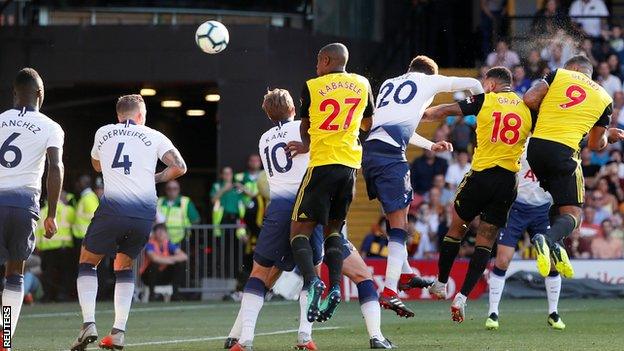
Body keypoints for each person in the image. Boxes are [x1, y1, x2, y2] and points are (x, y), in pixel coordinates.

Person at [226, 88, 393, 350]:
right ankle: (313, 336)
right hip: (309, 206)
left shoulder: (264, 138)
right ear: (295, 109)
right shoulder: (308, 129)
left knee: (260, 276)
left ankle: (241, 337)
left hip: (278, 210)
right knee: (325, 274)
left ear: (268, 114)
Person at [362, 54, 480, 317]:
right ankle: (391, 290)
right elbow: (472, 82)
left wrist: (430, 145)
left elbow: (397, 125)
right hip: (391, 157)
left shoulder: (390, 84)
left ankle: (405, 275)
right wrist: (484, 102)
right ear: (430, 73)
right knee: (400, 227)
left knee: (399, 218)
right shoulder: (428, 81)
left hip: (371, 154)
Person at [70, 94, 186, 351]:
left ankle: (88, 323)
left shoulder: (104, 132)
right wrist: (151, 179)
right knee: (124, 266)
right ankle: (118, 331)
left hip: (113, 209)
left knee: (88, 261)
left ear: (118, 115)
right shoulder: (154, 135)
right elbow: (179, 166)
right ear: (141, 116)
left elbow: (97, 166)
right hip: (144, 213)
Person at [423, 66, 533, 323]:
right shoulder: (526, 106)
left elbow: (446, 110)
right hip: (507, 182)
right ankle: (462, 296)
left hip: (481, 176)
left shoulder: (485, 100)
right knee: (486, 241)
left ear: (492, 84)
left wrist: (419, 115)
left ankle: (441, 284)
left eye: (485, 84)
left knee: (456, 228)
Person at [287, 43, 372, 324]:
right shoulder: (362, 83)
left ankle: (313, 281)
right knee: (334, 229)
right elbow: (368, 124)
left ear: (325, 60)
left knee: (299, 230)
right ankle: (335, 286)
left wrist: (308, 144)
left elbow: (304, 123)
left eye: (317, 61)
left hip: (322, 165)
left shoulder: (312, 86)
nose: (315, 66)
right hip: (349, 168)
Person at [523, 55, 623, 280]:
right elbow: (596, 144)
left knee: (559, 203)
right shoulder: (605, 97)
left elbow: (529, 99)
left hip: (536, 149)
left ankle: (557, 248)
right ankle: (546, 240)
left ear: (575, 69)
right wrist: (609, 135)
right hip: (564, 152)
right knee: (574, 214)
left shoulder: (559, 74)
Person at [0, 68, 64, 350]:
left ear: (15, 94)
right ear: (40, 94)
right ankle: (4, 339)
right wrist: (51, 214)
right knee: (15, 273)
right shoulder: (51, 126)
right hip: (24, 205)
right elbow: (56, 167)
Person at [485, 144, 566, 331]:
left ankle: (553, 313)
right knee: (503, 260)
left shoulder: (553, 145)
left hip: (543, 209)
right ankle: (493, 313)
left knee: (553, 262)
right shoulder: (522, 143)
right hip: (516, 207)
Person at [35, 191, 75, 302]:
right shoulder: (68, 210)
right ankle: (62, 295)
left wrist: (38, 247)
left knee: (48, 274)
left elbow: (37, 232)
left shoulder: (42, 212)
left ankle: (48, 296)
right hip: (63, 247)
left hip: (47, 248)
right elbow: (74, 223)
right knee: (64, 273)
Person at [139, 223, 187, 299]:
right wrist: (170, 260)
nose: (161, 233)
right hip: (147, 276)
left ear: (166, 233)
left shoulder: (168, 244)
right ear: (154, 234)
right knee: (154, 265)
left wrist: (170, 259)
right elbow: (154, 258)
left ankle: (175, 294)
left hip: (164, 275)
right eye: (158, 231)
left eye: (163, 231)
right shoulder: (150, 244)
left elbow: (184, 256)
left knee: (180, 264)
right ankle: (152, 295)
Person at [157, 180, 200, 244]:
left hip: (181, 240)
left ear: (179, 190)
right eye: (169, 188)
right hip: (161, 240)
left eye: (175, 188)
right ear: (165, 190)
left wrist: (187, 230)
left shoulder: (185, 201)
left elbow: (195, 219)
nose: (172, 191)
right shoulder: (159, 201)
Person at [72, 175, 99, 244]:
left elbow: (95, 217)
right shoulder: (85, 197)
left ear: (84, 184)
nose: (77, 184)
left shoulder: (89, 198)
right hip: (83, 237)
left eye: (79, 182)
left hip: (86, 238)